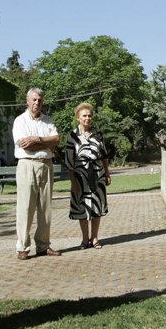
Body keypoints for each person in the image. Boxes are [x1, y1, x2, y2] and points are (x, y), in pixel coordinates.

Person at [12, 87, 60, 260]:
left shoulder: (47, 121)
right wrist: (46, 143)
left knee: (45, 208)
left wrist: (37, 139)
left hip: (46, 165)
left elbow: (57, 140)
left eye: (39, 100)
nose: (37, 103)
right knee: (26, 207)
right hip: (27, 165)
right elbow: (26, 146)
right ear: (27, 101)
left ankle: (43, 245)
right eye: (34, 99)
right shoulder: (20, 121)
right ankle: (23, 247)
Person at [64, 102, 110, 249]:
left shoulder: (98, 133)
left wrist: (107, 173)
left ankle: (95, 238)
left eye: (89, 116)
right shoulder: (72, 136)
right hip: (80, 176)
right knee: (82, 208)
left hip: (98, 174)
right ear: (78, 117)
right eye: (84, 116)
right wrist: (73, 182)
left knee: (96, 206)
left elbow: (104, 155)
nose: (87, 118)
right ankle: (85, 239)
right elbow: (69, 163)